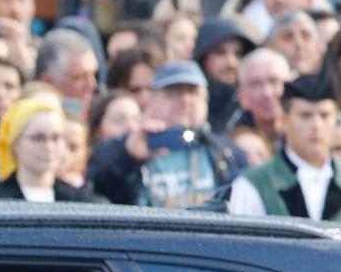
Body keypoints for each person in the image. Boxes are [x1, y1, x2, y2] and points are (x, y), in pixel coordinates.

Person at [228, 75, 341, 229]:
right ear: (284, 120)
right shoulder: (253, 184)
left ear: (336, 119)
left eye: (325, 115)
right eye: (305, 116)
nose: (316, 126)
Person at [88, 59, 245, 207]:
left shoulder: (225, 152)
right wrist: (127, 156)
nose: (184, 100)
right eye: (173, 92)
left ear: (206, 102)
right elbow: (94, 185)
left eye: (193, 92)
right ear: (152, 101)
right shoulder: (131, 144)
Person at [0, 95, 99, 200]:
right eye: (38, 138)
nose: (48, 146)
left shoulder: (79, 199)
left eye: (55, 138)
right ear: (15, 144)